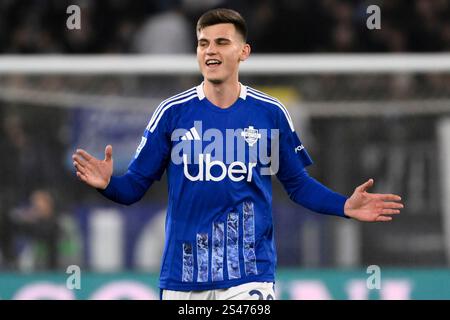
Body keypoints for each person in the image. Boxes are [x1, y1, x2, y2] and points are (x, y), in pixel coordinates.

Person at [72, 8, 404, 300]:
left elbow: (298, 185)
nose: (210, 51)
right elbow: (132, 189)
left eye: (221, 42)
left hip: (249, 274)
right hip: (183, 276)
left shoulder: (270, 112)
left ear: (243, 52)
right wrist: (108, 184)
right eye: (203, 43)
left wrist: (343, 205)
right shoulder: (171, 113)